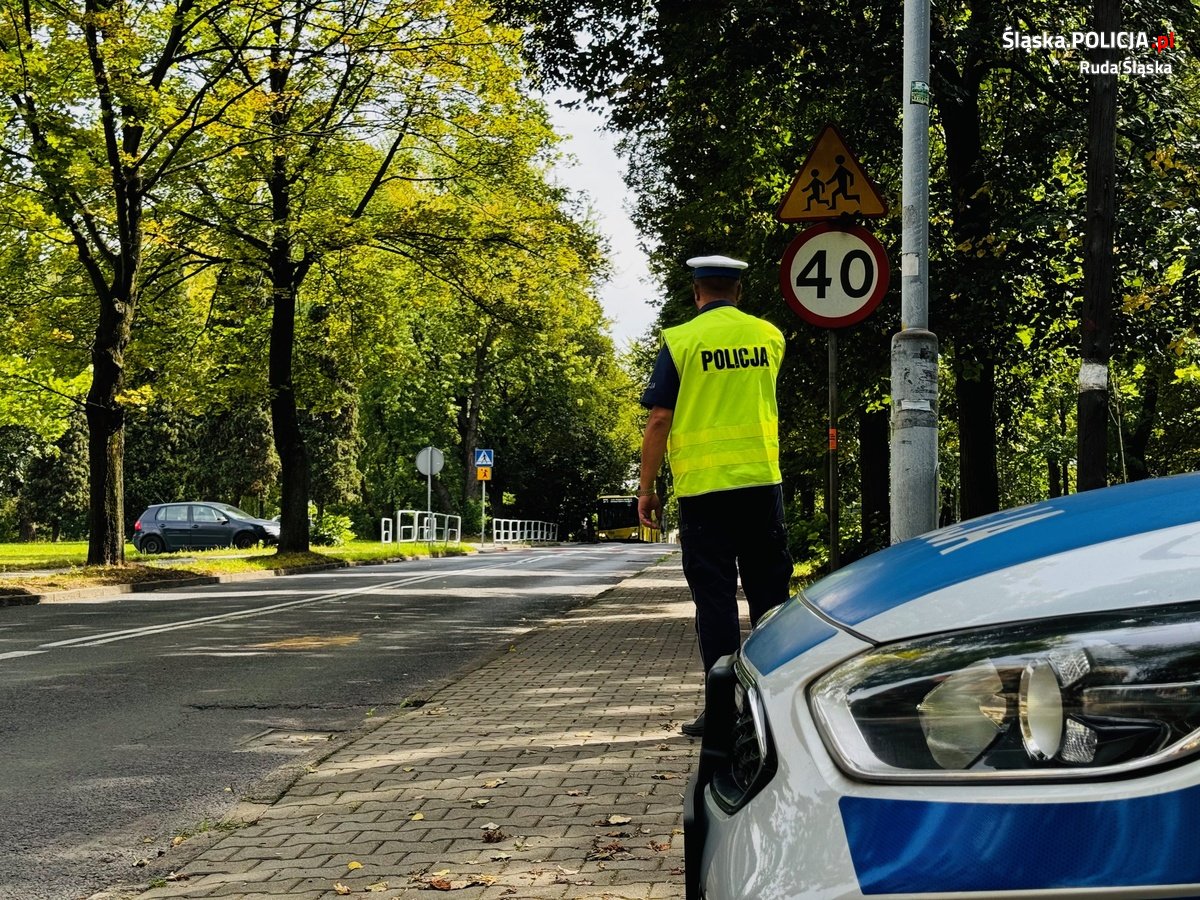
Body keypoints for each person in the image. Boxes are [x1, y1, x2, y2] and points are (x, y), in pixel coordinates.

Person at [638, 255, 793, 737]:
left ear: (696, 293)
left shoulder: (681, 340)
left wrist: (647, 487)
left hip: (705, 493)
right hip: (761, 485)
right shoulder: (769, 336)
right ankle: (779, 707)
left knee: (716, 602)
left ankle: (724, 713)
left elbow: (659, 419)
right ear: (738, 291)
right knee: (771, 598)